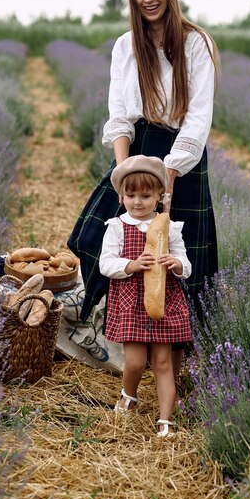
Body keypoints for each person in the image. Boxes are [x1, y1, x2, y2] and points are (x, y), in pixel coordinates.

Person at [67, 0, 220, 376]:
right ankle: (108, 327)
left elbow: (199, 115)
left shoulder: (195, 44)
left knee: (178, 254)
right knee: (93, 237)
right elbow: (118, 113)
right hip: (136, 148)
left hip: (181, 156)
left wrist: (168, 172)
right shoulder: (124, 46)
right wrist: (125, 173)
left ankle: (181, 356)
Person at [99, 155, 192, 436]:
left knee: (163, 363)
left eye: (145, 195)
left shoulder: (169, 227)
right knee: (136, 362)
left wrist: (175, 264)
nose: (137, 202)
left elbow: (185, 264)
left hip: (163, 299)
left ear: (160, 196)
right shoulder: (116, 227)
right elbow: (105, 264)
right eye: (131, 195)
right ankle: (129, 395)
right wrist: (131, 265)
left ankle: (166, 421)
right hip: (130, 301)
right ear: (121, 196)